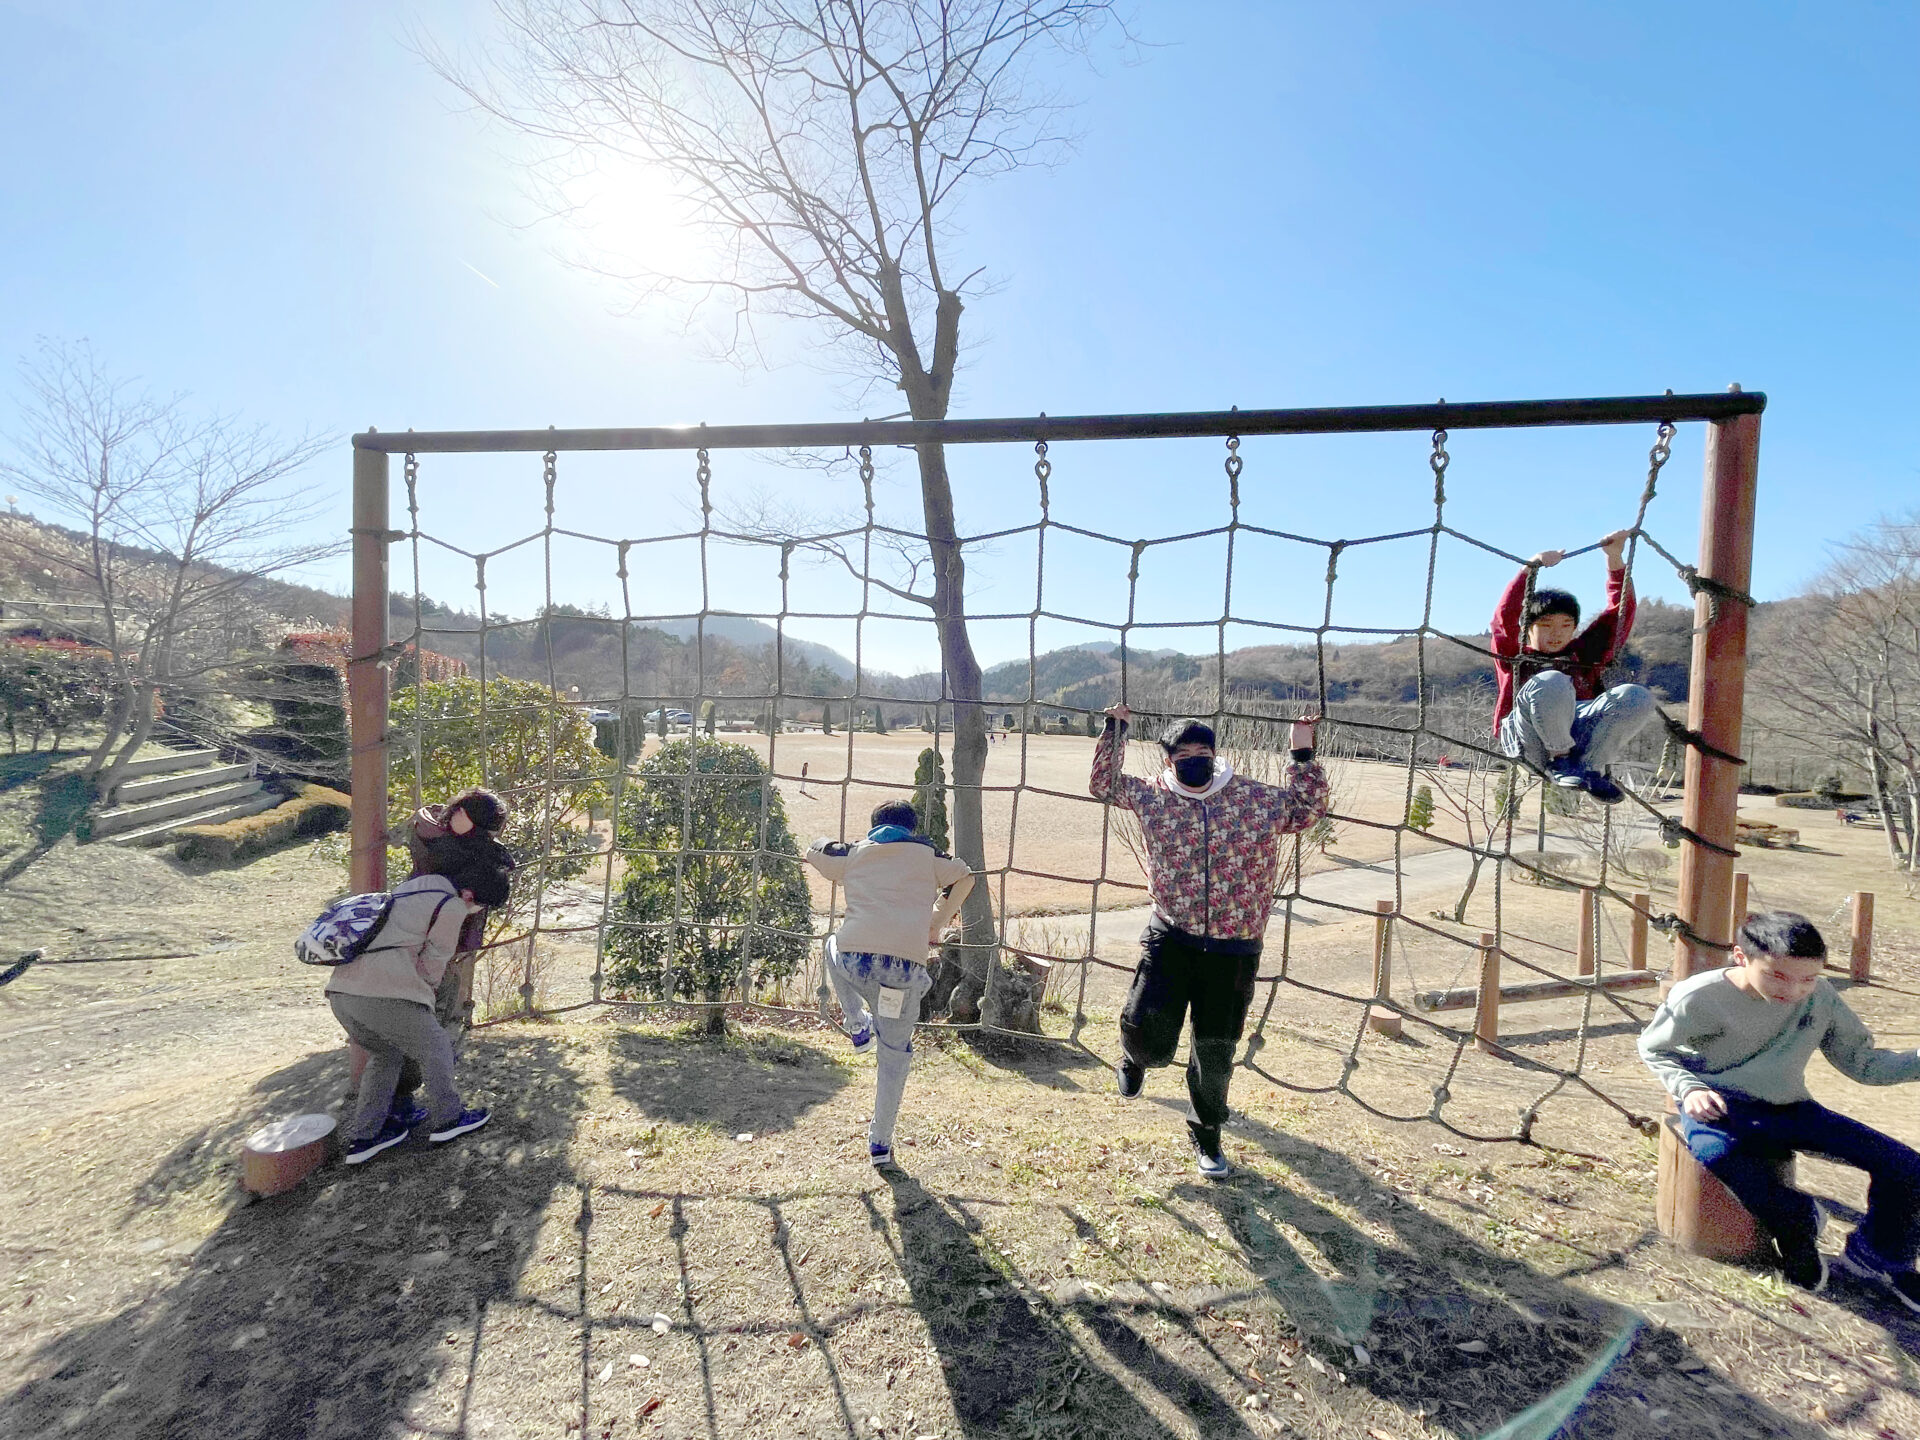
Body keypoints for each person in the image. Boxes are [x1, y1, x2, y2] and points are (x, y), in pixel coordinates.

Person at [1090, 705, 1329, 1180]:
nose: (1192, 760)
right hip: (1170, 936)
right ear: (1168, 761)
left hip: (1234, 948)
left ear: (1216, 755)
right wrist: (1114, 730)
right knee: (1147, 1030)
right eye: (1181, 753)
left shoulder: (1254, 799)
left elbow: (1307, 810)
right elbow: (1103, 785)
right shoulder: (1154, 796)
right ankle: (1135, 1059)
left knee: (1215, 1051)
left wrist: (1302, 751)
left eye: (1201, 751)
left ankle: (1207, 1134)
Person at [1639, 911, 1920, 1303]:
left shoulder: (1819, 998)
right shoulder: (1699, 996)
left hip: (1787, 1104)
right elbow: (1654, 1047)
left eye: (1808, 978)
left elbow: (1864, 1063)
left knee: (1907, 1166)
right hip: (1722, 1103)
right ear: (1741, 957)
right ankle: (1797, 1220)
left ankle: (1879, 1256)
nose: (1794, 990)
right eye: (1778, 976)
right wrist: (1688, 1089)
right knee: (1719, 1153)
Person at [805, 800, 975, 1170]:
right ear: (911, 829)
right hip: (902, 971)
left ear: (874, 826)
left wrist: (840, 843)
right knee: (894, 1057)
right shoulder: (927, 854)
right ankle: (880, 1144)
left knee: (832, 943)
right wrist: (939, 919)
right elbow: (966, 876)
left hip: (854, 963)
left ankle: (856, 1021)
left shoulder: (857, 853)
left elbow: (815, 851)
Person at [325, 847, 511, 1164]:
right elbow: (433, 962)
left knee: (386, 1054)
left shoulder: (421, 885)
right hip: (384, 992)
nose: (477, 911)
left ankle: (365, 1137)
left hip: (342, 992)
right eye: (481, 905)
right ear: (470, 895)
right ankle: (449, 1119)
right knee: (436, 1044)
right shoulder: (452, 905)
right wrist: (426, 997)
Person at [348, 788, 514, 1128]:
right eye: (483, 827)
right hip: (436, 944)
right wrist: (490, 863)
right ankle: (430, 1111)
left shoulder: (430, 831)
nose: (486, 835)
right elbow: (487, 885)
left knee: (405, 1033)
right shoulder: (457, 852)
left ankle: (395, 1107)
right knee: (430, 1027)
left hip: (403, 941)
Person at [1490, 528, 1658, 804]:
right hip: (1530, 740)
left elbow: (1620, 615)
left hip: (1578, 734)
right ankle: (1560, 759)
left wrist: (1614, 559)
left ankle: (1591, 768)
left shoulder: (1583, 653)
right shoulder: (1514, 652)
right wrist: (1529, 569)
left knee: (1636, 696)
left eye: (1566, 626)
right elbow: (1503, 619)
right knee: (1552, 680)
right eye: (1545, 625)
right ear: (1527, 628)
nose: (1556, 634)